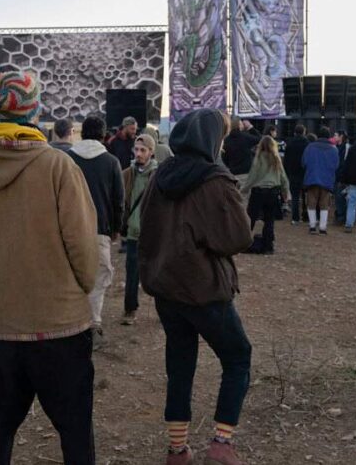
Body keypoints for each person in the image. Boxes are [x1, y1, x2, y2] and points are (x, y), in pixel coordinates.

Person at [0, 71, 98, 464]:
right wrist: (80, 289)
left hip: (3, 325)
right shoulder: (57, 166)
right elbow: (83, 246)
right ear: (34, 109)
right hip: (61, 325)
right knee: (74, 433)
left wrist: (2, 277)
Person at [139, 108, 254, 465]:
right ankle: (221, 443)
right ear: (213, 140)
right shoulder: (215, 181)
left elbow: (147, 228)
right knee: (238, 357)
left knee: (180, 364)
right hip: (204, 290)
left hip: (166, 288)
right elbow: (238, 237)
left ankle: (177, 450)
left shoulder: (160, 177)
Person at [69, 115, 124, 350]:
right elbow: (118, 200)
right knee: (98, 278)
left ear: (81, 134)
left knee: (70, 276)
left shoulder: (66, 159)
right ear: (104, 135)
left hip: (69, 228)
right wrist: (115, 228)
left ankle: (70, 324)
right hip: (100, 229)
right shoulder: (111, 162)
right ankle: (93, 323)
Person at [120, 133, 159, 326]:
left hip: (153, 233)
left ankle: (165, 310)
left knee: (158, 273)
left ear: (151, 152)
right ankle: (130, 309)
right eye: (136, 149)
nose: (139, 153)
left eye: (143, 150)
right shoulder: (128, 173)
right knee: (132, 273)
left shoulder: (158, 175)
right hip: (134, 232)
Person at [242, 136, 290, 254]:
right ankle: (268, 246)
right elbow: (283, 177)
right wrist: (286, 192)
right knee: (269, 220)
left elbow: (253, 176)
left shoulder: (258, 158)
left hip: (258, 191)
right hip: (273, 192)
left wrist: (244, 189)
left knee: (251, 218)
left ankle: (245, 242)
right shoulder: (276, 159)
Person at [301, 126, 340, 235]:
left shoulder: (310, 147)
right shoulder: (333, 149)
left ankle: (312, 226)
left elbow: (304, 162)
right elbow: (336, 165)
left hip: (312, 178)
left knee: (311, 203)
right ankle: (323, 228)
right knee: (324, 204)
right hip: (327, 180)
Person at [221, 115, 261, 190]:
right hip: (245, 173)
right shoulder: (245, 137)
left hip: (232, 173)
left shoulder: (226, 140)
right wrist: (250, 127)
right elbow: (259, 138)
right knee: (244, 198)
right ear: (239, 124)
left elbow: (224, 158)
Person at [283, 125, 310, 225]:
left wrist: (287, 172)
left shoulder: (290, 144)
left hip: (293, 173)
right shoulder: (307, 143)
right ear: (304, 132)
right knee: (306, 196)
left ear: (295, 132)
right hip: (305, 172)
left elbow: (286, 160)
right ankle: (305, 215)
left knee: (295, 197)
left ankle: (295, 218)